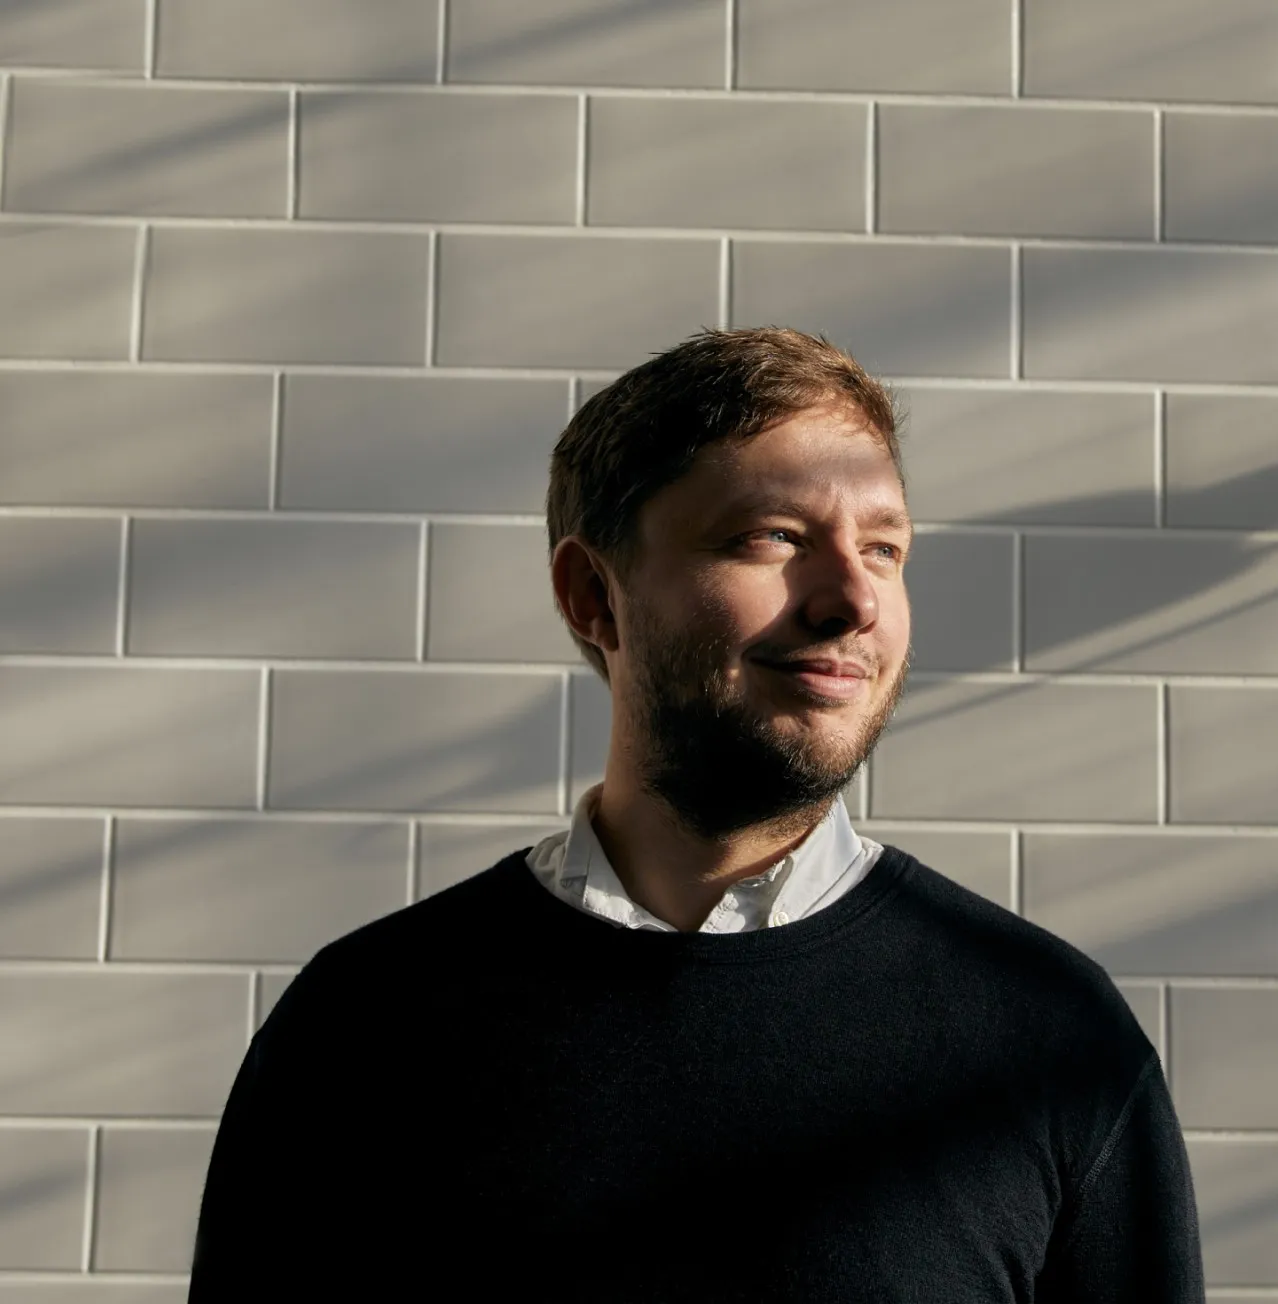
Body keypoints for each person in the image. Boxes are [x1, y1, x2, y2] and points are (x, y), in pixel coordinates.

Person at [188, 328, 1204, 1302]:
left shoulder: (1051, 1038)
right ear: (593, 595)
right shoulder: (365, 1027)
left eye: (887, 547)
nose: (853, 598)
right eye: (773, 536)